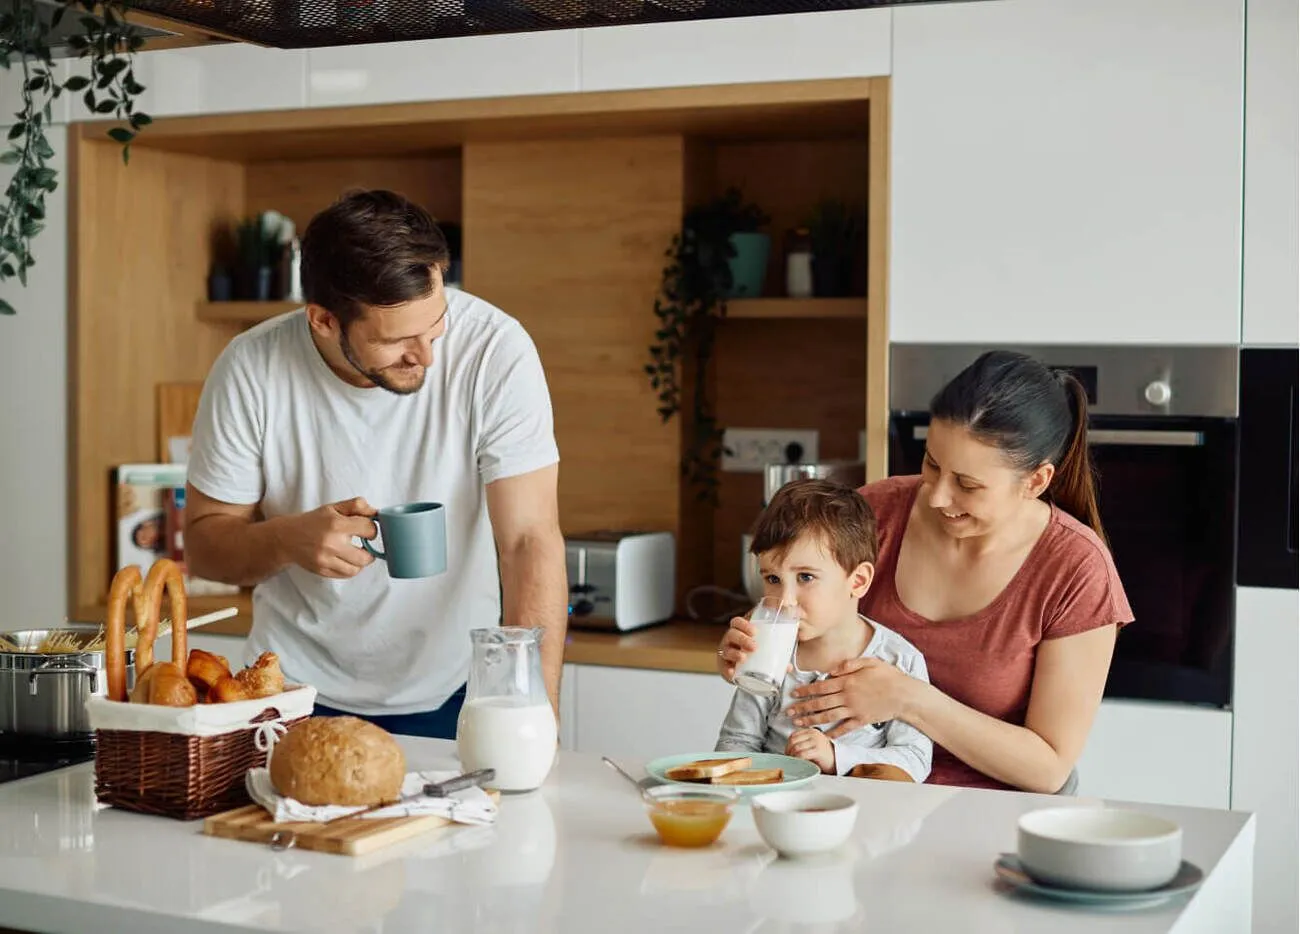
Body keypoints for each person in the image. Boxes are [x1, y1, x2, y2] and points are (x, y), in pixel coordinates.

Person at [184, 189, 568, 739]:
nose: (427, 356)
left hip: (460, 691)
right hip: (292, 697)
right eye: (397, 340)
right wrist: (287, 541)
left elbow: (530, 540)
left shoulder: (494, 350)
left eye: (435, 326)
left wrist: (534, 718)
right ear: (322, 321)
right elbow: (203, 545)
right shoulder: (252, 368)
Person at [717, 351, 1134, 793]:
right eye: (932, 464)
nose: (935, 497)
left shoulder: (1076, 569)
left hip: (987, 814)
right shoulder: (874, 512)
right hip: (851, 799)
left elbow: (1048, 769)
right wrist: (749, 653)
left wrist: (910, 699)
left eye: (967, 485)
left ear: (1035, 482)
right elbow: (798, 604)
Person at [715, 479, 932, 783]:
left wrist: (836, 756)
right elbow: (735, 744)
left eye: (805, 577)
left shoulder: (899, 660)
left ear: (857, 581)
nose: (785, 600)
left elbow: (915, 759)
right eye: (773, 579)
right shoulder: (768, 653)